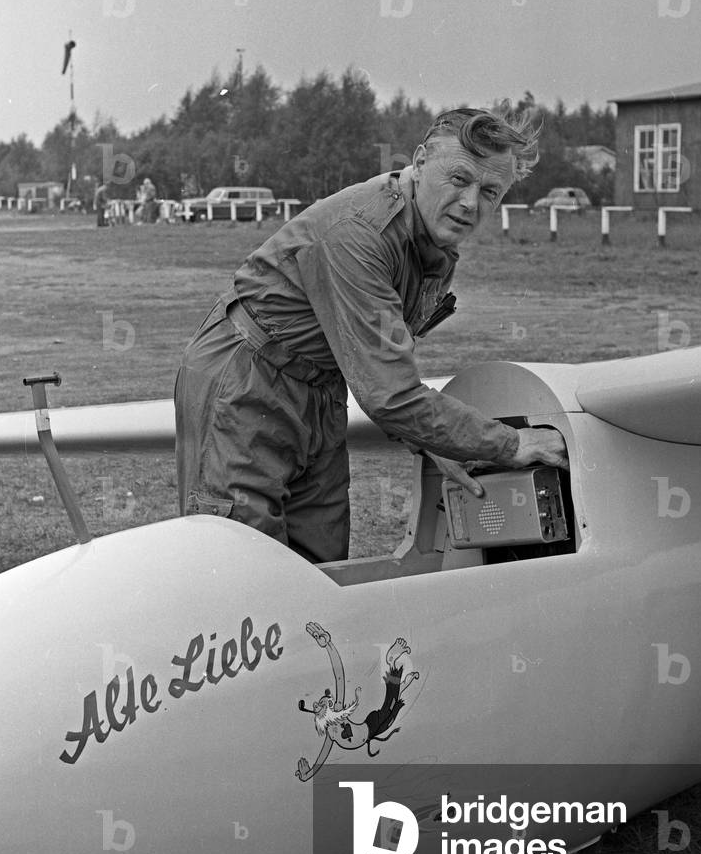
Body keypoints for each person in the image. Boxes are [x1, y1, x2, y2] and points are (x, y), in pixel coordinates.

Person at [174, 107, 568, 564]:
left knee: (320, 564)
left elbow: (383, 365)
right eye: (459, 179)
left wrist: (436, 439)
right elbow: (391, 396)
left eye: (490, 191)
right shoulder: (359, 235)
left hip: (320, 387)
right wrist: (512, 443)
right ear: (419, 163)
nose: (469, 204)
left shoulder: (431, 243)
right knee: (243, 563)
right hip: (247, 382)